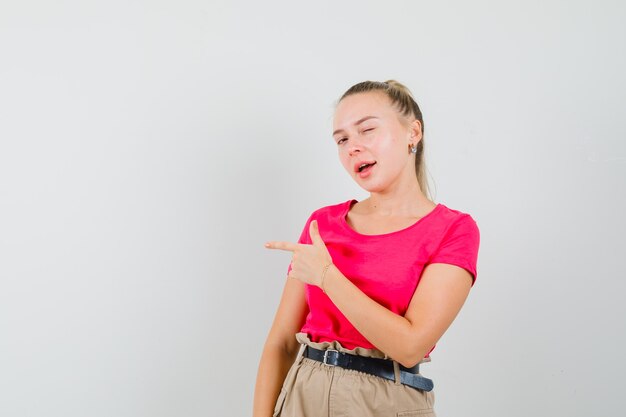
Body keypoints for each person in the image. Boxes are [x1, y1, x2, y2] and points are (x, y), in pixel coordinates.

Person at [253, 80, 480, 417]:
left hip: (386, 401)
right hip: (303, 393)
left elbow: (410, 345)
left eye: (367, 130)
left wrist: (327, 276)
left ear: (412, 133)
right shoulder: (322, 224)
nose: (352, 148)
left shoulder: (453, 229)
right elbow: (282, 342)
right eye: (342, 139)